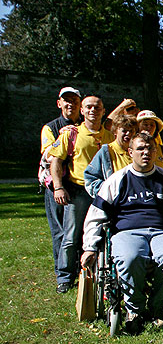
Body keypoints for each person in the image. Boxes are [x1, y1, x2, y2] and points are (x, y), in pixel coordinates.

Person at [80, 132, 163, 333]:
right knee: (130, 258)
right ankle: (134, 308)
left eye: (150, 148)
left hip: (162, 231)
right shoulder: (117, 180)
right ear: (130, 152)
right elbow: (96, 214)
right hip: (127, 232)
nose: (146, 152)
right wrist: (90, 247)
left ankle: (156, 306)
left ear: (156, 151)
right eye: (141, 148)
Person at [48, 95, 114, 294]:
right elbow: (56, 161)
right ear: (82, 111)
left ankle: (101, 272)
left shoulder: (110, 136)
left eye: (98, 107)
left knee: (104, 235)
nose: (93, 110)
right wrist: (59, 187)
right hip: (79, 192)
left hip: (104, 194)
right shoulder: (72, 134)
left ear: (103, 112)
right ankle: (65, 277)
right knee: (72, 235)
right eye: (89, 107)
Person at [40, 86, 81, 287]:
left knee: (78, 231)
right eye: (66, 100)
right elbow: (48, 154)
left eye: (74, 100)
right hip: (57, 186)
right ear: (59, 104)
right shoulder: (51, 128)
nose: (70, 104)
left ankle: (79, 270)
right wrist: (62, 138)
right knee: (60, 231)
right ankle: (62, 275)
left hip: (78, 187)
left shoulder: (84, 126)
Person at [84, 114, 138, 197]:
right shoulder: (106, 151)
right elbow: (90, 178)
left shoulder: (138, 151)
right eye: (124, 130)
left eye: (131, 131)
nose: (128, 134)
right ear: (115, 131)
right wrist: (108, 193)